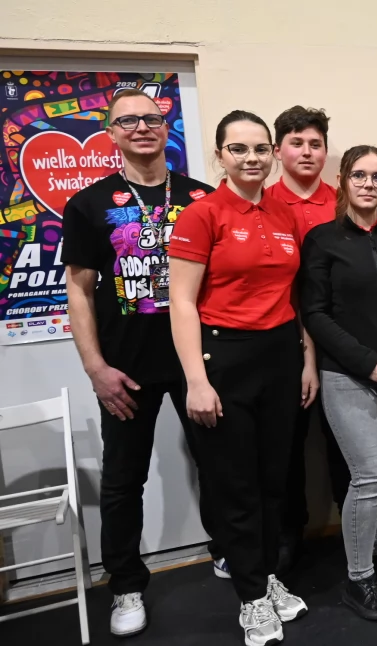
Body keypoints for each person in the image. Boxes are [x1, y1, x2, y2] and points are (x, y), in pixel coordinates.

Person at [61, 89, 218, 638]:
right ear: (112, 132)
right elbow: (78, 292)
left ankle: (229, 551)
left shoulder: (201, 196)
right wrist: (94, 367)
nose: (142, 128)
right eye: (128, 121)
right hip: (124, 367)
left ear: (165, 124)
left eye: (151, 118)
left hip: (194, 360)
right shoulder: (87, 204)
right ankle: (126, 585)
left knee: (219, 466)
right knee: (124, 482)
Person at [168, 110, 314, 645]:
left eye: (259, 148)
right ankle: (251, 598)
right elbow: (181, 303)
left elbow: (296, 297)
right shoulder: (202, 215)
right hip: (224, 358)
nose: (251, 158)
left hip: (280, 354)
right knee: (237, 485)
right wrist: (195, 381)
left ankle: (268, 576)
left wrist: (306, 360)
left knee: (275, 478)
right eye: (239, 149)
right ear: (220, 155)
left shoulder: (283, 212)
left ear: (272, 152)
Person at [300, 145, 377, 621]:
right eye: (360, 175)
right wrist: (368, 363)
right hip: (346, 374)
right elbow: (314, 313)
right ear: (343, 182)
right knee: (370, 472)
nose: (369, 184)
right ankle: (358, 580)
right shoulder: (323, 240)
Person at [264, 104, 344, 572]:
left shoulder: (343, 201)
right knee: (286, 451)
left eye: (315, 144)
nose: (307, 151)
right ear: (279, 150)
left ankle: (359, 539)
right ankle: (289, 538)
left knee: (346, 449)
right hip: (286, 343)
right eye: (297, 143)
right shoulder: (263, 202)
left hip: (343, 346)